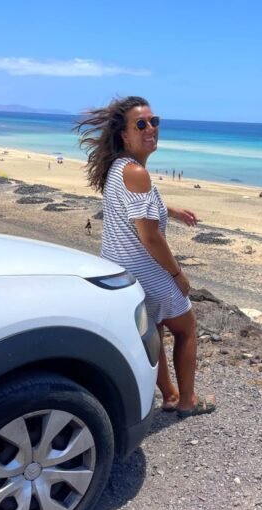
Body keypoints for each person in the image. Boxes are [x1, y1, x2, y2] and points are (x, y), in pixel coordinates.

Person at [75, 96, 215, 418]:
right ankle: (187, 401)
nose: (150, 128)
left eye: (154, 121)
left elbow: (138, 211)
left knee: (156, 329)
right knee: (187, 327)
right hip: (146, 273)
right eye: (141, 124)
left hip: (121, 270)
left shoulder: (120, 167)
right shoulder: (137, 173)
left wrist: (173, 211)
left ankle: (168, 394)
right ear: (124, 134)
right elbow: (150, 236)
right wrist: (177, 274)